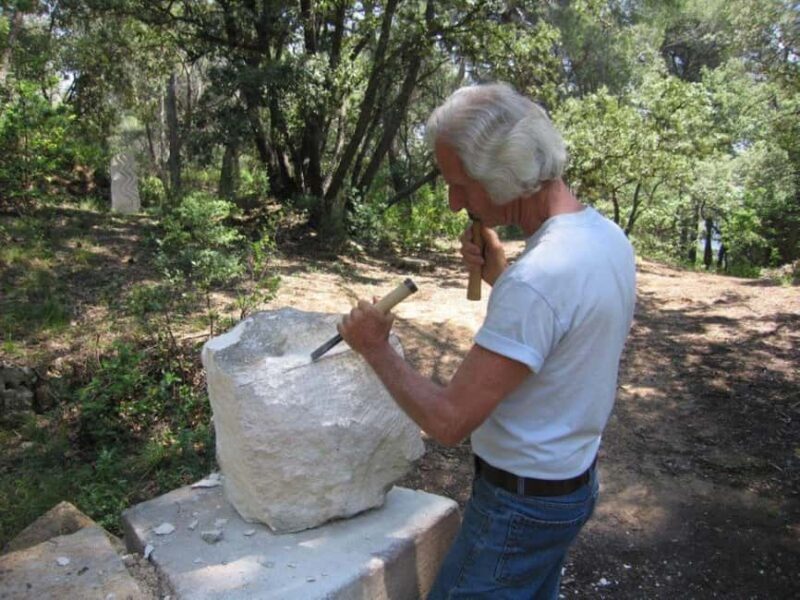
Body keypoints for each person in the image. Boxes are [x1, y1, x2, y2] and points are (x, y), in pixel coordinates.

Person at [337, 82, 636, 599]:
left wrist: (376, 348)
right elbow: (562, 330)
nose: (455, 204)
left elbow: (448, 421)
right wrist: (502, 274)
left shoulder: (538, 280)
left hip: (519, 509)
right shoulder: (604, 237)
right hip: (571, 483)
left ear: (506, 172)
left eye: (461, 185)